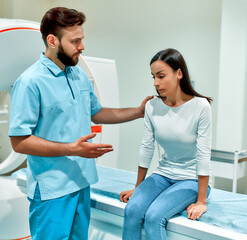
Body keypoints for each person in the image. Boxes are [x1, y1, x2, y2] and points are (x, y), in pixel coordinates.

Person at [8, 7, 151, 240]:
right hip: (52, 190)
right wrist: (71, 149)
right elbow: (19, 141)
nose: (81, 47)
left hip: (81, 182)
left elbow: (97, 113)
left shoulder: (79, 76)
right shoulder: (30, 82)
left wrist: (138, 112)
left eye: (81, 40)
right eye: (75, 41)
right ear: (52, 40)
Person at [120, 48, 212, 240]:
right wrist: (138, 186)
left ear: (179, 73)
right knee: (132, 210)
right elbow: (147, 147)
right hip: (162, 175)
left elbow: (203, 154)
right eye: (153, 77)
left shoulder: (201, 106)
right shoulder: (152, 106)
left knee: (154, 216)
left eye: (161, 76)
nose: (156, 83)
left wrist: (201, 201)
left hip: (190, 179)